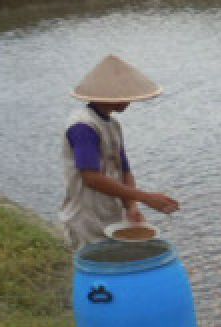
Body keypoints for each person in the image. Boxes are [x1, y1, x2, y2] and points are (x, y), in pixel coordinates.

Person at [60, 54, 180, 250]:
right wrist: (146, 197)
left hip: (111, 213)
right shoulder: (83, 126)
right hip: (87, 217)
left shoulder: (113, 125)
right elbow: (91, 178)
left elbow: (124, 170)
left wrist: (131, 206)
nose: (130, 100)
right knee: (99, 270)